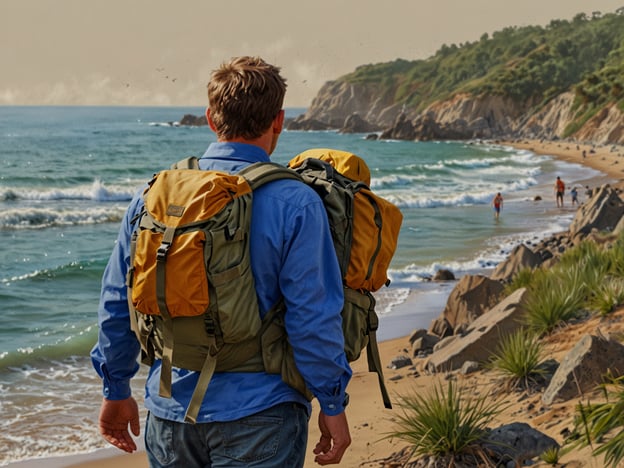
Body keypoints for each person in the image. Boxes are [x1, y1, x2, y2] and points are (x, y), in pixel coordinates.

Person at [91, 56, 352, 467]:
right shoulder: (296, 201)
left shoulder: (155, 195)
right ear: (279, 121)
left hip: (170, 411)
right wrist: (333, 405)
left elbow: (117, 298)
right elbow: (313, 315)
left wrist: (115, 387)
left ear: (212, 118)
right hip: (262, 413)